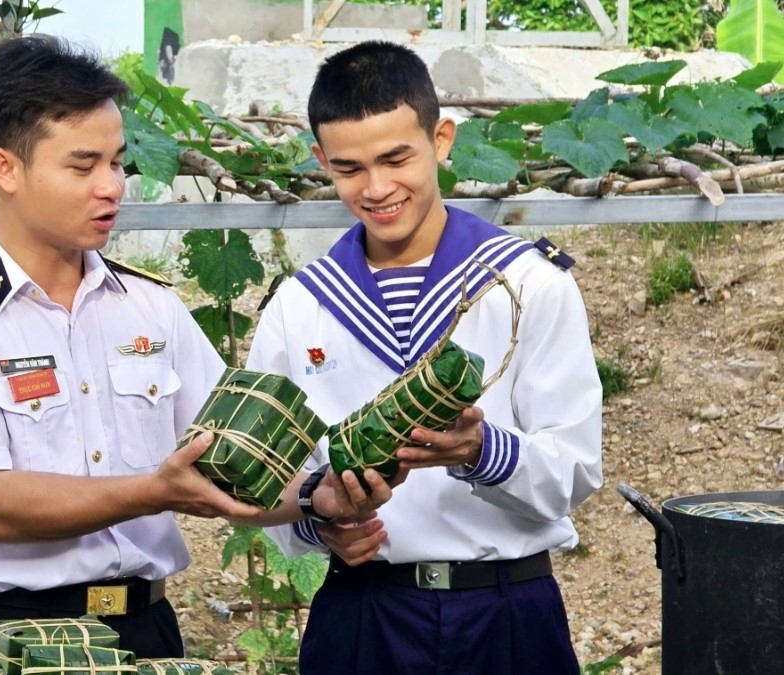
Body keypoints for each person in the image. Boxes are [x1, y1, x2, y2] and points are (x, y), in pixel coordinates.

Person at [0, 35, 392, 675]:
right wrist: (155, 491)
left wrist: (320, 498)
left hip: (146, 633)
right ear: (5, 168)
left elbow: (236, 464)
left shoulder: (154, 310)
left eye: (118, 163)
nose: (111, 187)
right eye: (83, 166)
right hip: (6, 641)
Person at [246, 40, 603, 674]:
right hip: (362, 614)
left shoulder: (524, 284)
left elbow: (574, 472)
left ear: (441, 139)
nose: (377, 188)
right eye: (349, 168)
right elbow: (267, 477)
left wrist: (482, 450)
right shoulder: (301, 305)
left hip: (507, 612)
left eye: (397, 158)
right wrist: (318, 523)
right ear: (320, 159)